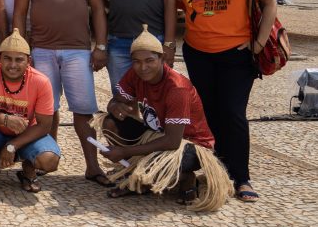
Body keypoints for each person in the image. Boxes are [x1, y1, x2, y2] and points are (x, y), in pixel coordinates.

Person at [178, 0, 277, 203]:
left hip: (235, 53)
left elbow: (269, 0)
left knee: (233, 113)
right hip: (198, 52)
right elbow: (178, 4)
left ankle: (241, 176)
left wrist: (258, 43)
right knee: (207, 113)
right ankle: (215, 169)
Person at [13, 0, 112, 189]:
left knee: (83, 112)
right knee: (45, 111)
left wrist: (100, 46)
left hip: (78, 50)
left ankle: (92, 166)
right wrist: (22, 48)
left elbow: (97, 8)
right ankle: (45, 159)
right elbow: (20, 13)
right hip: (41, 50)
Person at [96, 25, 233, 211]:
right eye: (136, 61)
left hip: (190, 146)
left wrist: (125, 151)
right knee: (110, 123)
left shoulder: (177, 88)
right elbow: (115, 102)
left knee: (154, 163)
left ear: (162, 59)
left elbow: (172, 142)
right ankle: (143, 178)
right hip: (157, 134)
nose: (143, 67)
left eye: (149, 60)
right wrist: (115, 106)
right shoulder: (135, 74)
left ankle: (183, 177)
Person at [0, 29, 61, 197]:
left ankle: (27, 171)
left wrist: (12, 145)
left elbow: (45, 125)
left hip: (26, 134)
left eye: (19, 60)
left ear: (28, 61)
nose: (12, 65)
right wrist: (4, 119)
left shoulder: (41, 81)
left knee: (49, 160)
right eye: (7, 58)